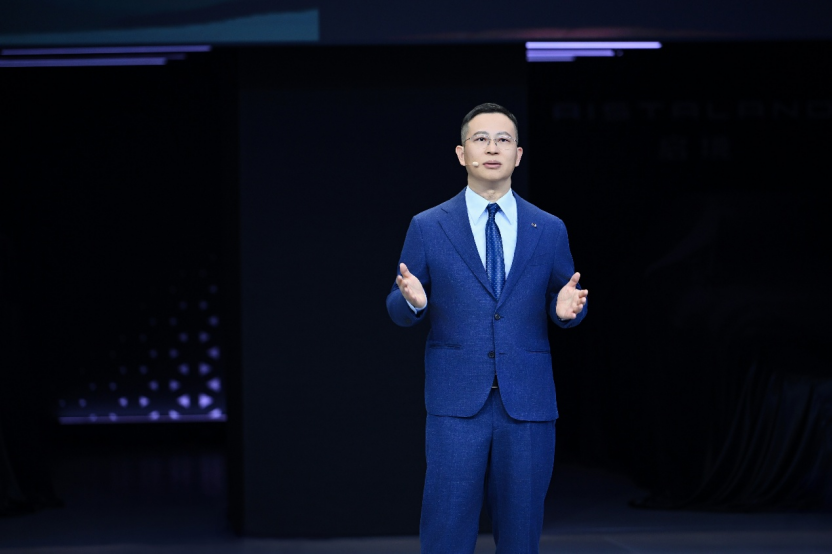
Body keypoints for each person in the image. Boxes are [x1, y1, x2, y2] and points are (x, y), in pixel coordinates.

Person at [386, 103, 588, 554]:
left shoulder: (548, 228)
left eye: (503, 140)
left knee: (521, 535)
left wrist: (566, 310)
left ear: (518, 155)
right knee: (446, 532)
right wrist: (412, 302)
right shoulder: (429, 226)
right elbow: (397, 303)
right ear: (462, 154)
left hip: (528, 403)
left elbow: (568, 297)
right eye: (481, 139)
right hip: (456, 404)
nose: (492, 148)